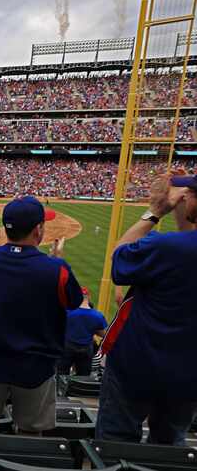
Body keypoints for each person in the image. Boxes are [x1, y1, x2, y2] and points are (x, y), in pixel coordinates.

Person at [0, 196, 82, 434]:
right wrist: (57, 261)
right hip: (35, 364)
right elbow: (73, 301)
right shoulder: (56, 269)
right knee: (30, 428)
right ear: (38, 229)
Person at [95, 173, 197, 445]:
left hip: (137, 364)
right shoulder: (174, 247)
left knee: (114, 444)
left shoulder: (168, 246)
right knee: (169, 445)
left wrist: (155, 211)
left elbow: (120, 260)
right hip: (189, 374)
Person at [57, 287, 106, 376]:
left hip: (67, 346)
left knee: (61, 375)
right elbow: (103, 334)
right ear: (88, 297)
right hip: (86, 349)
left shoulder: (67, 312)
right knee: (83, 377)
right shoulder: (98, 316)